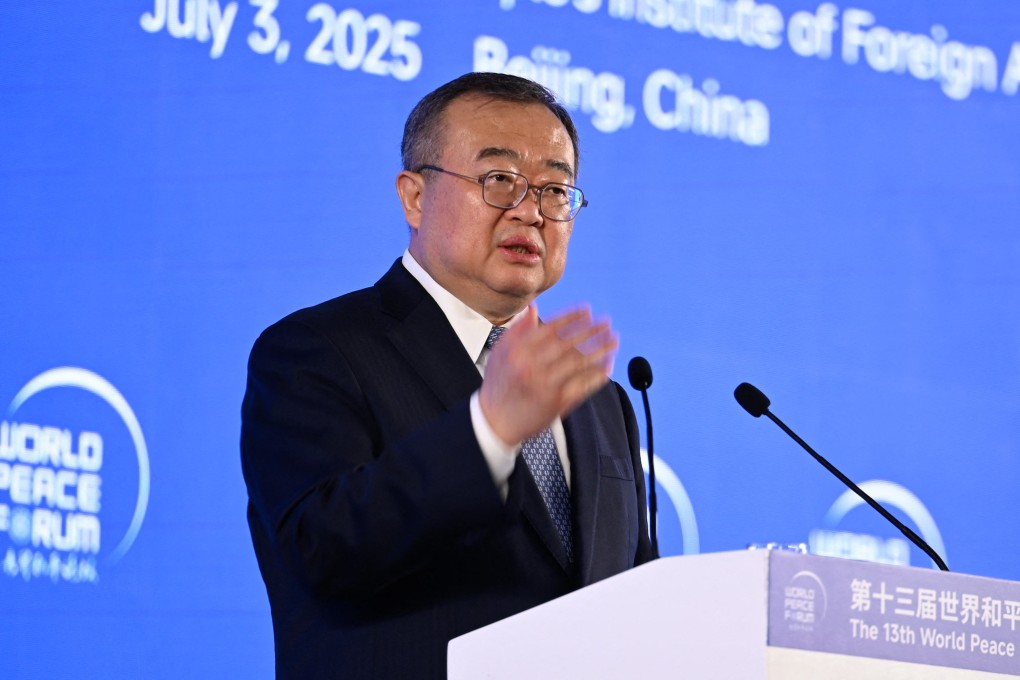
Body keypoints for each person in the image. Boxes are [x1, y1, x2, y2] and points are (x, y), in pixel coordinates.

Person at [240, 72, 655, 680]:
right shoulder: (315, 351)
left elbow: (639, 606)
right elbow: (322, 553)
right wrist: (489, 431)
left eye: (555, 189)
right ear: (413, 196)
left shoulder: (600, 401)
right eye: (499, 180)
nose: (532, 211)